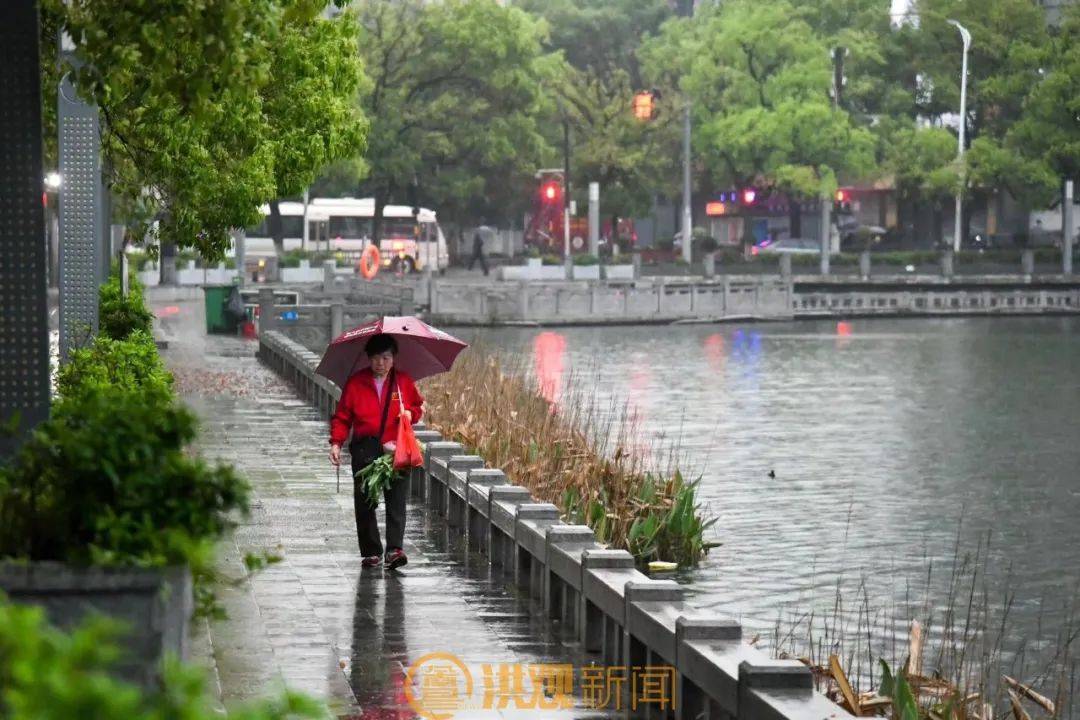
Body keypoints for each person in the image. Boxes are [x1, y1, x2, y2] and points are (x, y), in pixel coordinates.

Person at [329, 334, 423, 569]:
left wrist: (410, 413)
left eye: (386, 357)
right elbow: (342, 417)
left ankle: (394, 549)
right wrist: (336, 443)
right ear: (368, 359)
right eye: (375, 358)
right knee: (364, 500)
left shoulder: (402, 382)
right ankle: (371, 551)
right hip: (364, 448)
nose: (380, 363)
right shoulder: (356, 383)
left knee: (396, 499)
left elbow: (417, 407)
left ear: (393, 358)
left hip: (395, 448)